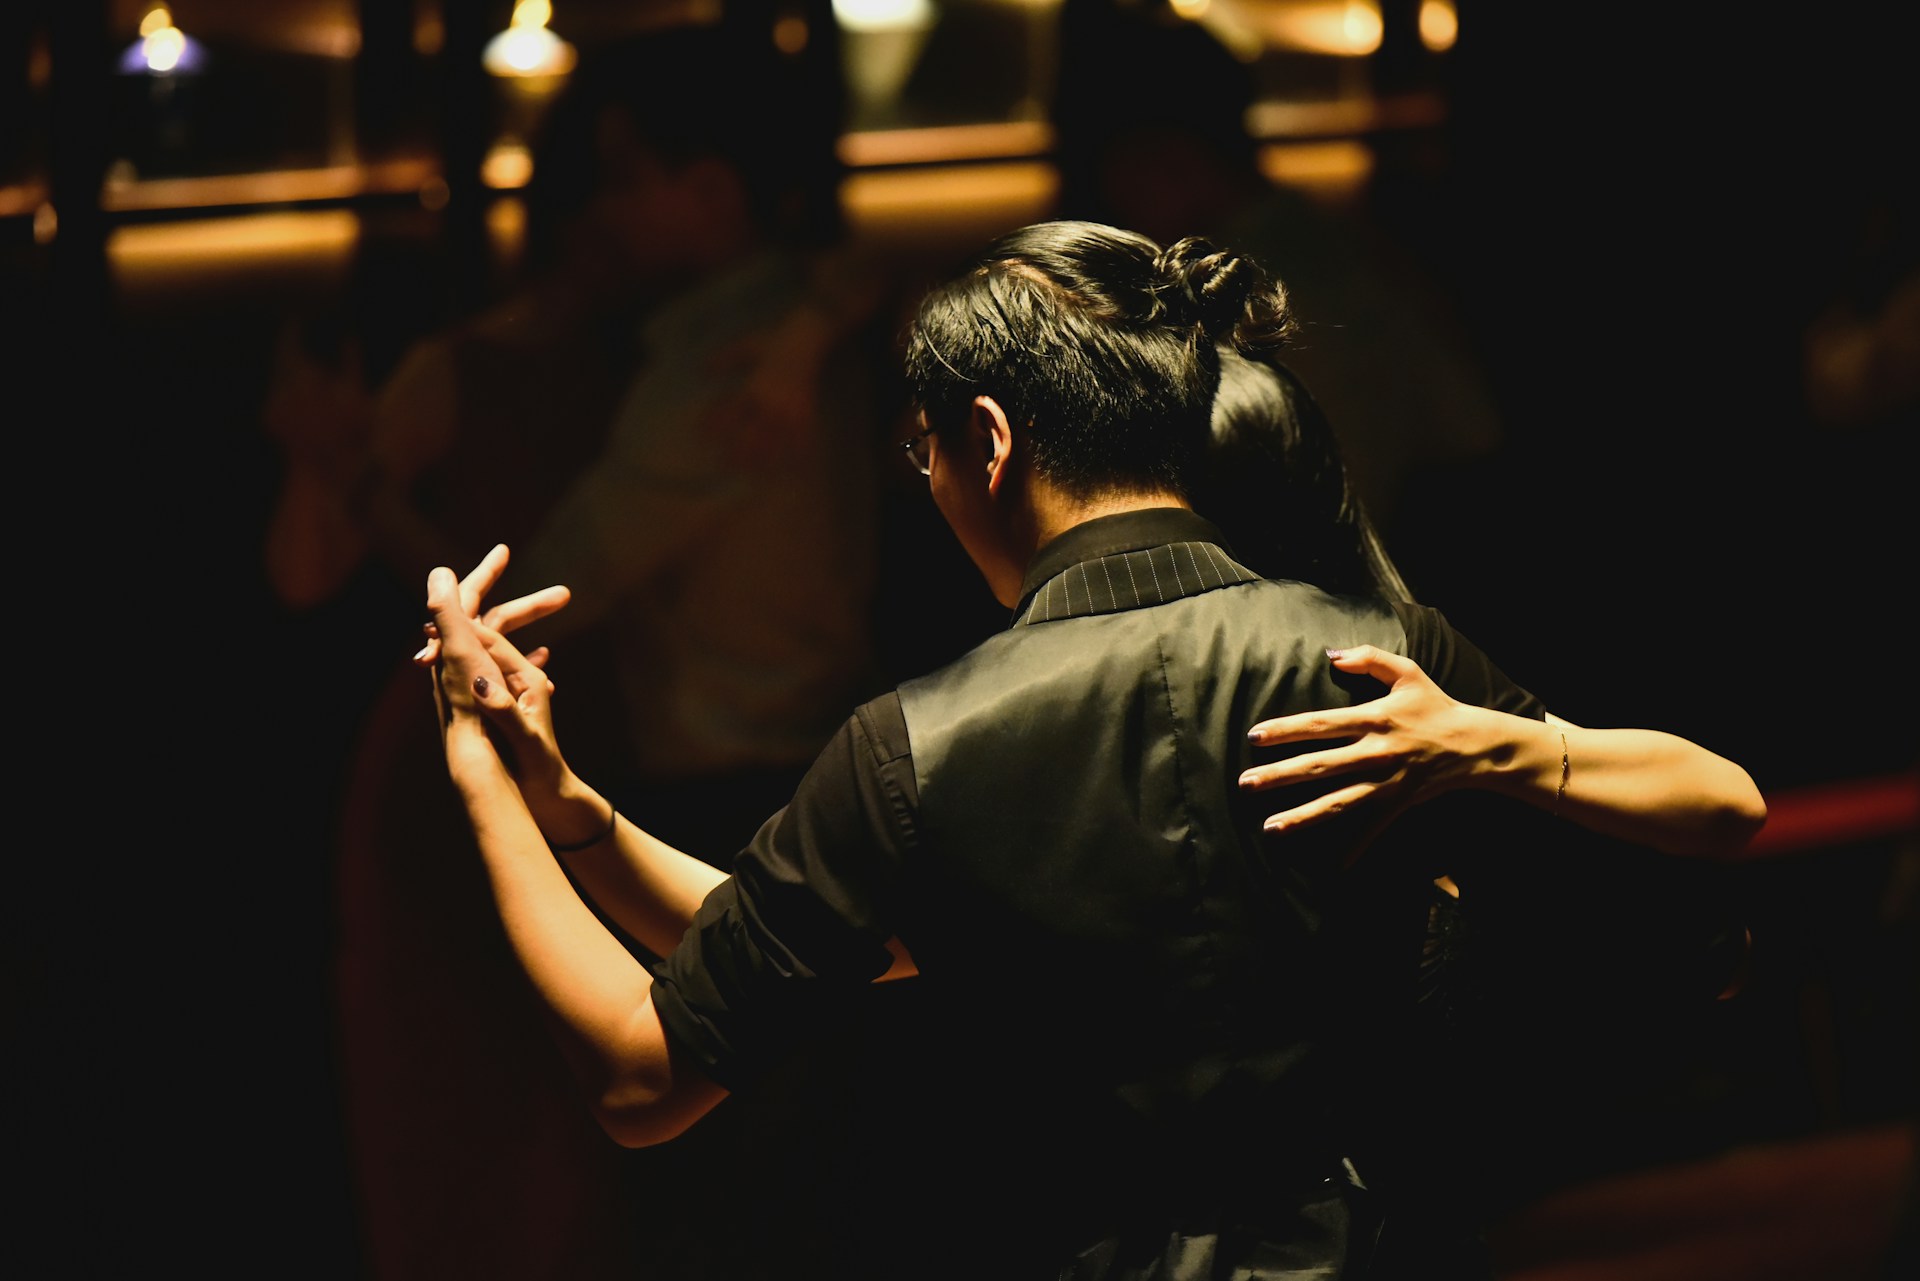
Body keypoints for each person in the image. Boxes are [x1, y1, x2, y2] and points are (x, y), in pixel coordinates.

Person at [416, 221, 1766, 1279]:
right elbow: (1724, 804)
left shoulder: (918, 744)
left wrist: (478, 774)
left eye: (923, 448)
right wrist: (569, 797)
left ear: (986, 441)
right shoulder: (1369, 652)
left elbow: (646, 1074)